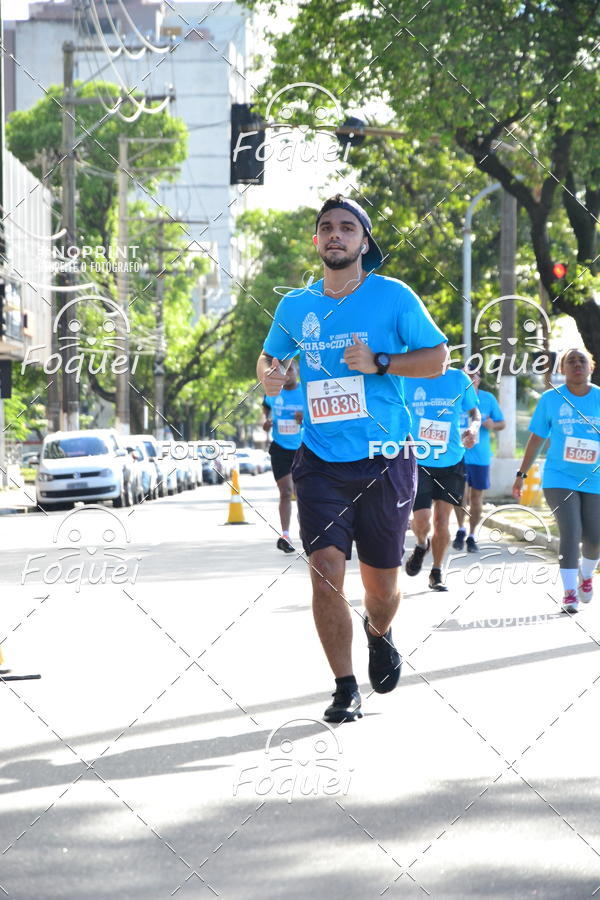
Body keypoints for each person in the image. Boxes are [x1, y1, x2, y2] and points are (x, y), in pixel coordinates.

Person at [257, 194, 447, 723]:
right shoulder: (297, 306)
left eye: (346, 227)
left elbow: (438, 360)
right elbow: (270, 358)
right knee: (324, 569)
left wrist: (382, 362)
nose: (335, 235)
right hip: (319, 461)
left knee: (381, 585)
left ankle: (379, 633)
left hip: (386, 458)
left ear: (365, 242)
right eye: (326, 228)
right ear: (316, 242)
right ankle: (344, 687)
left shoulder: (393, 297)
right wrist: (266, 373)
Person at [513, 347, 600, 614]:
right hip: (559, 477)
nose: (576, 364)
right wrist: (521, 473)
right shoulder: (551, 399)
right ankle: (569, 592)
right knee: (571, 531)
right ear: (562, 369)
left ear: (590, 367)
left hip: (594, 477)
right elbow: (537, 437)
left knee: (595, 537)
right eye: (570, 361)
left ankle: (586, 575)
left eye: (581, 360)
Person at [404, 368, 480, 590]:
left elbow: (475, 412)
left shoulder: (459, 379)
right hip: (419, 459)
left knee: (442, 522)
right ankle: (420, 544)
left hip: (452, 459)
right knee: (421, 520)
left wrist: (474, 428)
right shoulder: (408, 376)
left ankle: (436, 572)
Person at [453, 368, 505, 552]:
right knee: (461, 495)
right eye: (465, 375)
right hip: (459, 454)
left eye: (473, 376)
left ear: (479, 379)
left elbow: (502, 423)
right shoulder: (454, 394)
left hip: (481, 456)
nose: (470, 379)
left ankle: (472, 535)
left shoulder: (488, 399)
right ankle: (460, 529)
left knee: (476, 498)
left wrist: (492, 424)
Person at [262, 360, 304, 553]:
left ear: (297, 371)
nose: (287, 375)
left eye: (291, 370)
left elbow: (318, 419)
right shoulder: (273, 391)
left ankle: (307, 531)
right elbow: (266, 410)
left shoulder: (305, 391)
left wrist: (304, 419)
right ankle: (285, 535)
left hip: (302, 448)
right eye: (284, 371)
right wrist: (267, 422)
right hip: (280, 449)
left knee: (302, 493)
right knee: (286, 492)